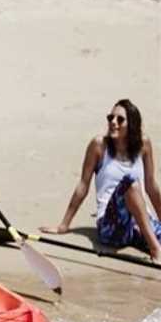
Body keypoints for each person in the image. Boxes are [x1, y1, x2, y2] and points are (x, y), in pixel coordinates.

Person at [41, 99, 161, 261]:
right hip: (110, 228)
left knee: (133, 186)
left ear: (132, 124)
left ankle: (150, 238)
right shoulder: (99, 145)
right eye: (110, 118)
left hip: (138, 225)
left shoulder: (143, 144)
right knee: (130, 183)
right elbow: (83, 185)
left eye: (120, 119)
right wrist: (64, 225)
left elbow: (151, 187)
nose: (113, 122)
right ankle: (155, 249)